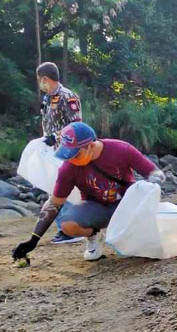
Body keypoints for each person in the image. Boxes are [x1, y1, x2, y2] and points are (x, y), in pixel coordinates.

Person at [11, 122, 165, 262]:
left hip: (127, 205)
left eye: (75, 154)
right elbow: (54, 203)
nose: (71, 159)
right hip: (96, 208)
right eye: (67, 154)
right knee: (68, 225)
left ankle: (138, 233)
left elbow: (156, 173)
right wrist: (33, 240)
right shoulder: (68, 168)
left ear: (91, 145)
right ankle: (94, 237)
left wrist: (150, 188)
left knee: (139, 248)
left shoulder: (121, 149)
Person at [36, 62, 85, 244]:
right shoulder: (48, 98)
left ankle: (71, 229)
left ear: (45, 79)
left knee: (64, 189)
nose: (40, 84)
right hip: (52, 153)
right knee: (54, 188)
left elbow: (76, 126)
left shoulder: (67, 96)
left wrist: (55, 137)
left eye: (40, 80)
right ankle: (65, 227)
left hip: (67, 152)